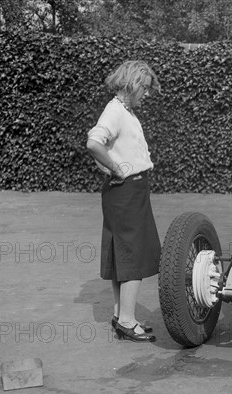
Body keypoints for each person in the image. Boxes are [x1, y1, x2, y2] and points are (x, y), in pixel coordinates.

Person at [86, 60, 161, 343]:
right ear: (132, 84)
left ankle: (121, 316)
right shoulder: (116, 111)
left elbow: (102, 146)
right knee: (134, 254)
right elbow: (94, 142)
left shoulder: (122, 110)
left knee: (122, 254)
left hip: (127, 192)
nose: (148, 95)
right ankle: (128, 321)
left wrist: (109, 164)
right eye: (145, 89)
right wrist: (115, 168)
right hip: (127, 190)